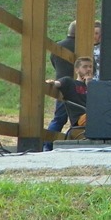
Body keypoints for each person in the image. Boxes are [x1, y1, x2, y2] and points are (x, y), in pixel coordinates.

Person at [44, 20, 77, 149]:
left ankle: (47, 144)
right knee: (79, 119)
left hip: (61, 85)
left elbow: (53, 62)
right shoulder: (82, 47)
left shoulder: (57, 47)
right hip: (77, 87)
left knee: (58, 119)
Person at [46, 56, 95, 140]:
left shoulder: (94, 86)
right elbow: (58, 83)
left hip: (93, 115)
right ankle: (47, 144)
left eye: (90, 67)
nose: (88, 69)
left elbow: (98, 102)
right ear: (77, 70)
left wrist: (89, 85)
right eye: (85, 67)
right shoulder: (69, 82)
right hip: (81, 117)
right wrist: (52, 82)